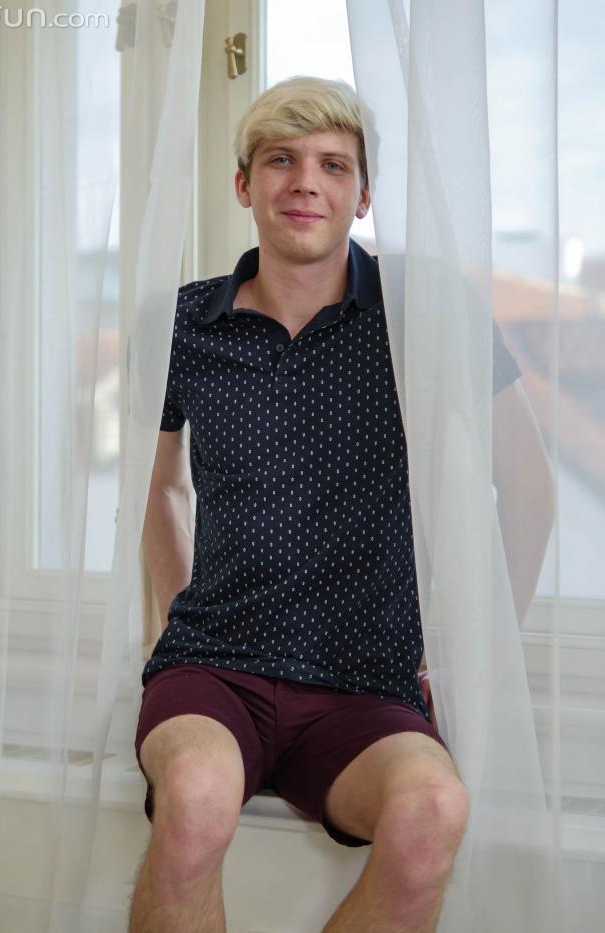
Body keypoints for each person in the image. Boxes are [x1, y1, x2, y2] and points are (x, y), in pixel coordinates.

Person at [129, 76, 541, 933]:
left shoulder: (425, 308)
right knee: (195, 799)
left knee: (433, 812)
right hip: (214, 671)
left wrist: (472, 663)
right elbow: (159, 487)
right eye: (281, 160)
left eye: (333, 165)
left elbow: (529, 484)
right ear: (244, 185)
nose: (305, 183)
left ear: (364, 195)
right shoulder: (179, 323)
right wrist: (174, 623)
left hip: (366, 685)